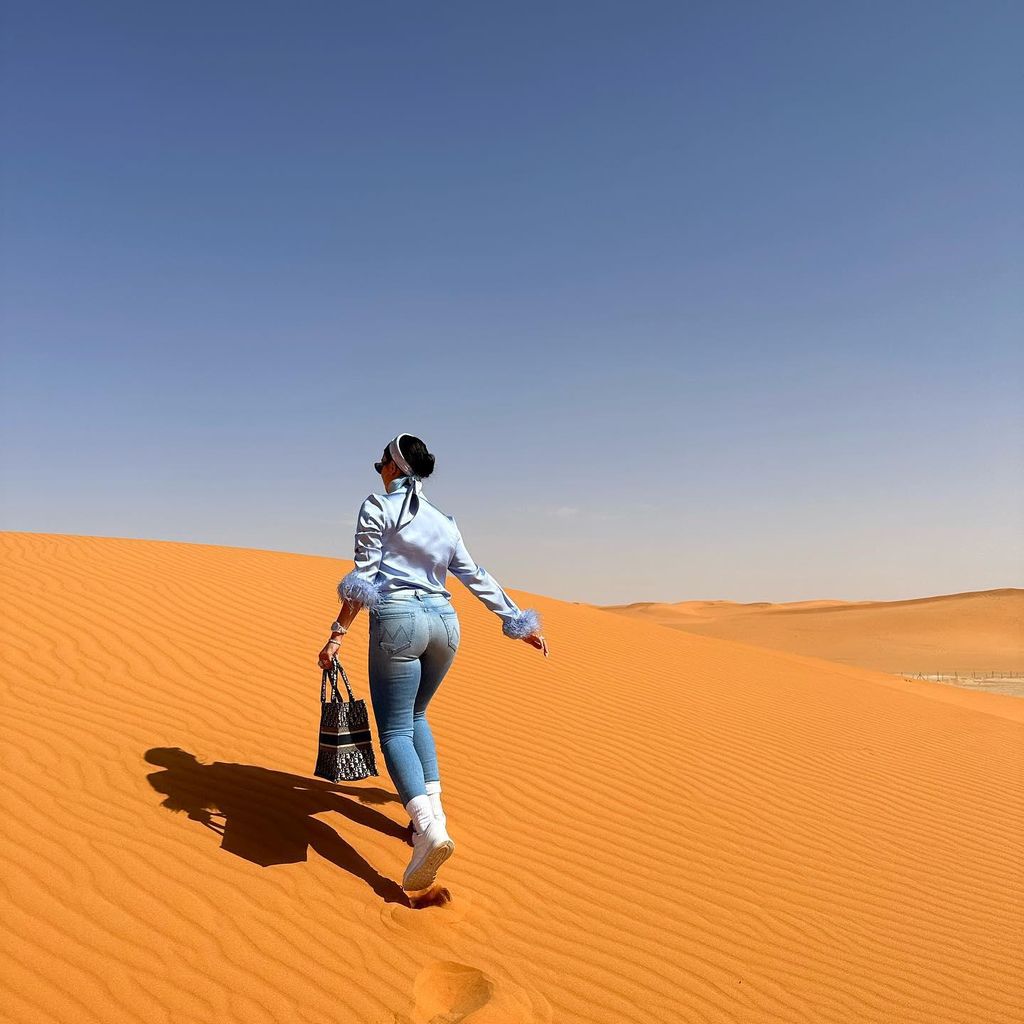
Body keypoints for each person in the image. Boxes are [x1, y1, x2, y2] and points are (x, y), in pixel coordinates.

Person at [317, 433, 548, 892]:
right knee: (417, 715)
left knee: (396, 730)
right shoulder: (445, 521)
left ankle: (429, 831)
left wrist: (337, 634)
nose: (377, 468)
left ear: (395, 468)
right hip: (446, 625)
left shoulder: (377, 507)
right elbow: (474, 574)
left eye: (381, 461)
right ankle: (433, 817)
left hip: (399, 621)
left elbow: (362, 579)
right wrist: (519, 623)